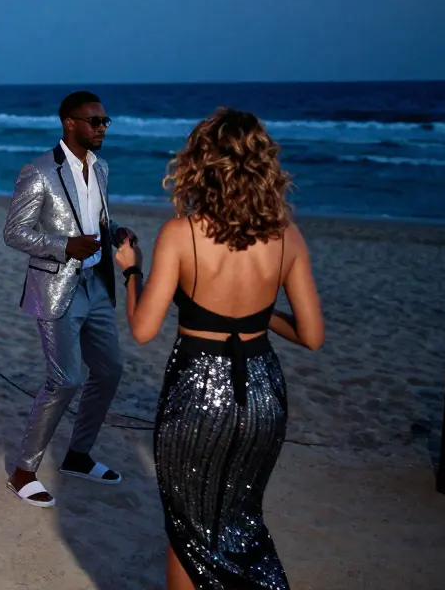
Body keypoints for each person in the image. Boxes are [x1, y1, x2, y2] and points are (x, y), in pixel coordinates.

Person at [114, 108, 323, 590]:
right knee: (242, 521)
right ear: (264, 166)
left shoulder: (181, 233)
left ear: (200, 165)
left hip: (198, 393)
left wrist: (132, 271)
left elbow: (143, 328)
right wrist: (255, 315)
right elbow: (312, 336)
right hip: (263, 396)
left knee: (186, 527)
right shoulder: (287, 236)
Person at [2, 90, 136, 506]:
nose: (102, 128)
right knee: (65, 379)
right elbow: (14, 232)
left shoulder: (102, 167)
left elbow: (95, 218)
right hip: (57, 286)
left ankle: (78, 455)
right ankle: (23, 471)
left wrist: (114, 232)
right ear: (70, 122)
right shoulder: (39, 171)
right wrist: (64, 245)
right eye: (94, 121)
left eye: (105, 121)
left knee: (109, 371)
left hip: (97, 284)